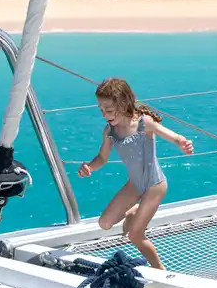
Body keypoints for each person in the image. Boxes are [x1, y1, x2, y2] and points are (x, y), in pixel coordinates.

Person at [78, 78, 193, 270]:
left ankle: (160, 270)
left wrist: (183, 143)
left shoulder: (143, 123)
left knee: (135, 235)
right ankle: (134, 210)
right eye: (101, 110)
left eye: (108, 110)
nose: (104, 115)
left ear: (123, 104)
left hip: (154, 186)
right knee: (104, 223)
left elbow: (172, 136)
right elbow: (102, 158)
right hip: (134, 184)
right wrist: (89, 167)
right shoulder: (110, 131)